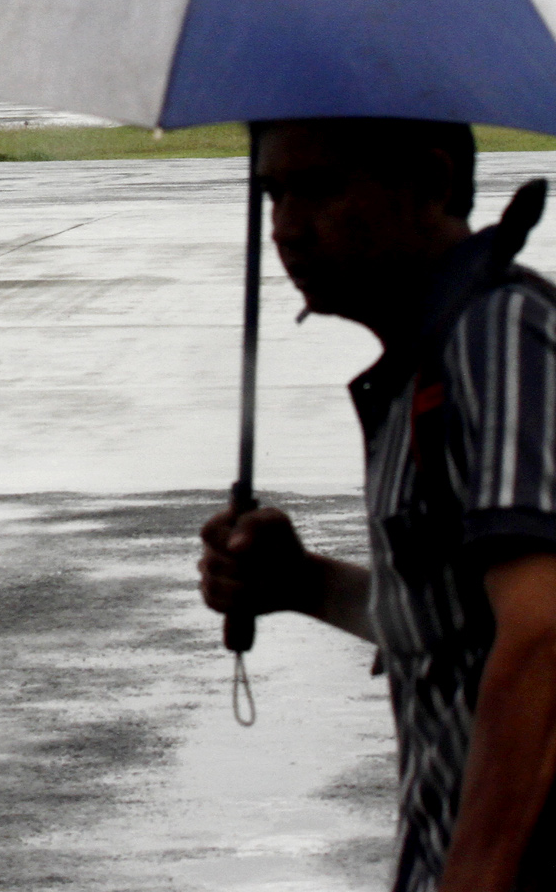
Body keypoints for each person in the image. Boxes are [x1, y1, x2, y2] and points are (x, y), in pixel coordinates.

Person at [200, 118, 556, 892]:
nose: (287, 228)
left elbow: (542, 636)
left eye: (319, 188)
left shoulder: (497, 339)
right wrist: (301, 583)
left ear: (428, 184)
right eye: (273, 194)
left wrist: (475, 874)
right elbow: (460, 625)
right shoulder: (424, 366)